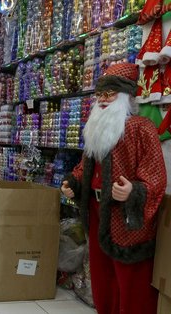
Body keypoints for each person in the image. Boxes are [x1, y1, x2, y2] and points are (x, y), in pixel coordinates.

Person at [60, 63, 166, 314]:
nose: (103, 100)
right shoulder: (96, 129)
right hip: (97, 213)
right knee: (102, 278)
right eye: (100, 95)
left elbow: (156, 176)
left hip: (126, 218)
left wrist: (135, 191)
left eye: (109, 94)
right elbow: (85, 166)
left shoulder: (142, 128)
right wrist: (73, 183)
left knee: (131, 284)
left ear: (126, 96)